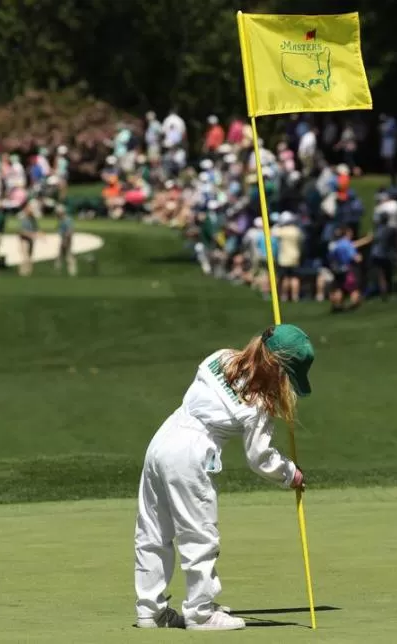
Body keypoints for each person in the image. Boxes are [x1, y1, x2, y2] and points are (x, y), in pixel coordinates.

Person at [133, 325, 312, 631]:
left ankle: (151, 610)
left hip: (163, 438)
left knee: (153, 529)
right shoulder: (258, 405)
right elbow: (260, 458)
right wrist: (290, 473)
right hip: (191, 453)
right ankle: (200, 613)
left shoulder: (221, 357)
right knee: (199, 535)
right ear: (278, 370)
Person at [272, 212, 303, 302]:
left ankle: (284, 296)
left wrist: (278, 224)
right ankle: (295, 296)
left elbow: (272, 232)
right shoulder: (297, 231)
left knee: (285, 277)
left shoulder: (283, 230)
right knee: (294, 277)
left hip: (284, 258)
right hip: (295, 256)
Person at [55, 205, 77, 277]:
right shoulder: (61, 220)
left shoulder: (67, 220)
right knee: (60, 256)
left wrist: (65, 240)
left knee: (68, 255)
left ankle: (72, 272)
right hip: (63, 239)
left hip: (67, 239)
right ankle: (58, 272)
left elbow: (70, 231)